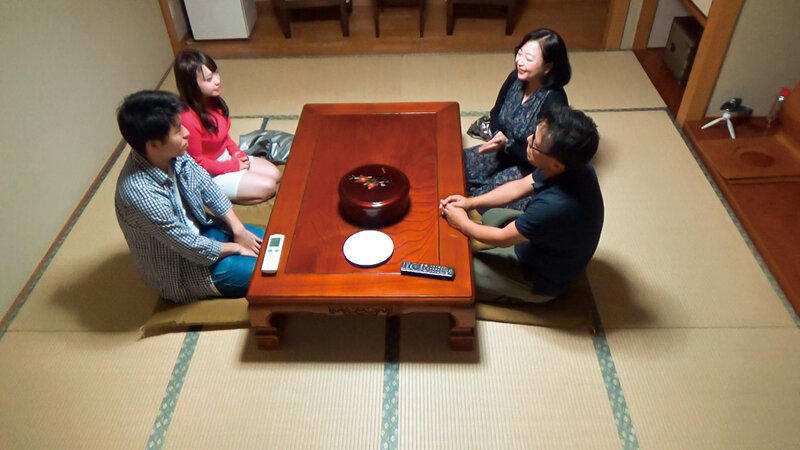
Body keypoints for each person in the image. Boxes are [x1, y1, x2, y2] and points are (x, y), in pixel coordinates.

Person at [441, 104, 603, 303]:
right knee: (490, 214)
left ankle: (525, 294)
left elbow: (502, 238)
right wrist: (470, 202)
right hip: (544, 240)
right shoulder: (570, 165)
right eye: (533, 134)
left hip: (539, 275)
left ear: (556, 164)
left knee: (456, 274)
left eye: (535, 143)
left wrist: (462, 223)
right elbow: (520, 186)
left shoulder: (555, 206)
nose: (528, 140)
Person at [115, 90, 264, 303]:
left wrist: (238, 230)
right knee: (269, 270)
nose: (187, 133)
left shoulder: (172, 152)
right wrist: (237, 248)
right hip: (185, 269)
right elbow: (190, 247)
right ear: (153, 145)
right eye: (178, 130)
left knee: (276, 244)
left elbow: (207, 187)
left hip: (204, 229)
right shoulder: (141, 195)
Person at [465, 28, 571, 211]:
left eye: (529, 58)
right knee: (455, 168)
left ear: (548, 67)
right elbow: (495, 113)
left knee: (481, 201)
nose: (520, 61)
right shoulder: (515, 78)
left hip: (529, 168)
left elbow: (545, 158)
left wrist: (508, 145)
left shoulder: (554, 101)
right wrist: (497, 134)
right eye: (519, 53)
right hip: (502, 150)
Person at [174, 49, 281, 205]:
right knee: (269, 187)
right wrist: (232, 165)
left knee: (276, 174)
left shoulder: (212, 100)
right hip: (208, 175)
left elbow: (224, 136)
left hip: (226, 157)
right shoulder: (187, 118)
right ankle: (215, 200)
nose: (217, 80)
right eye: (209, 79)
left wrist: (236, 152)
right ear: (191, 85)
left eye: (216, 73)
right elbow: (197, 163)